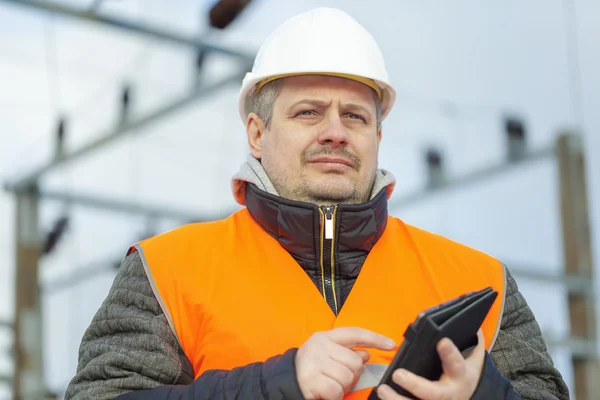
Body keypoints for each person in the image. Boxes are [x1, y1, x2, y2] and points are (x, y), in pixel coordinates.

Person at [65, 7, 569, 400]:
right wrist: (276, 385)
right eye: (308, 113)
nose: (335, 133)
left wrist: (482, 395)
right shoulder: (167, 273)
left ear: (377, 134)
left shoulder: (482, 282)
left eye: (354, 117)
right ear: (257, 134)